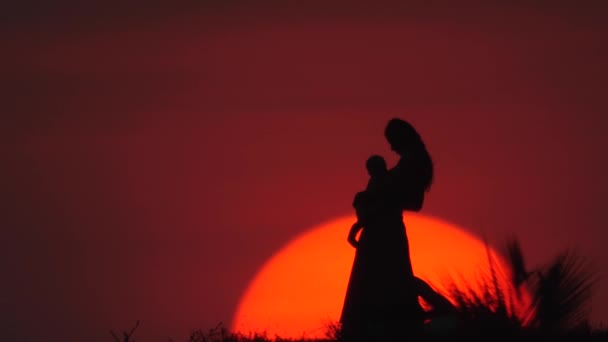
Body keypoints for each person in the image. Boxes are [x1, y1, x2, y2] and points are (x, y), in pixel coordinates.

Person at [340, 118, 434, 340]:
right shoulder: (403, 165)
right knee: (376, 284)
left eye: (392, 141)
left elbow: (414, 202)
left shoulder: (412, 164)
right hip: (379, 230)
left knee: (390, 282)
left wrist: (376, 196)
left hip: (388, 232)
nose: (391, 147)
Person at [347, 154, 389, 248]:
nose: (369, 173)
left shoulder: (385, 180)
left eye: (371, 169)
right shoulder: (373, 180)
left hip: (380, 220)